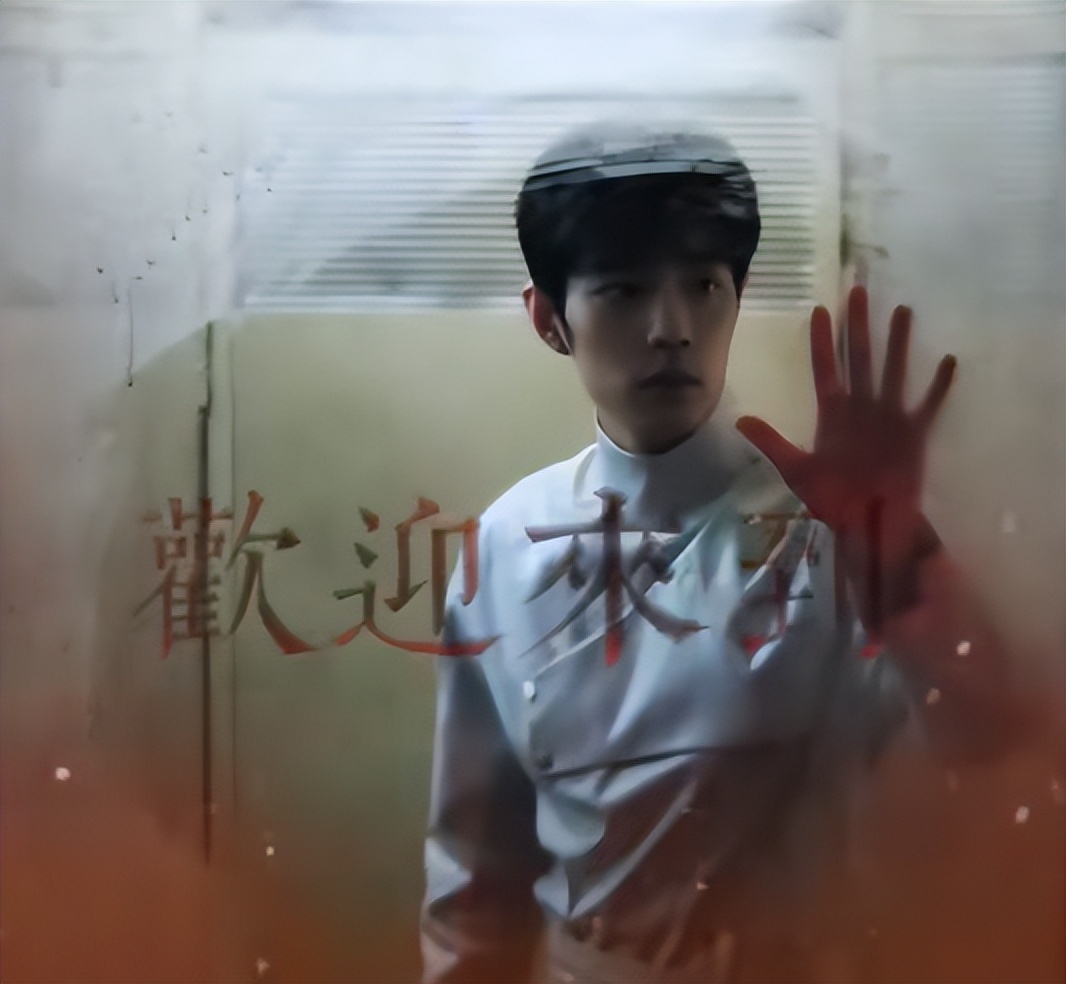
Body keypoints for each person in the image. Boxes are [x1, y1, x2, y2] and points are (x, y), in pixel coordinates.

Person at [420, 121, 1018, 984]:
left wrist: (909, 563)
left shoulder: (827, 525)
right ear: (549, 318)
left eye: (703, 285)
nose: (671, 328)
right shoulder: (509, 543)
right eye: (624, 290)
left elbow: (983, 736)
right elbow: (474, 874)